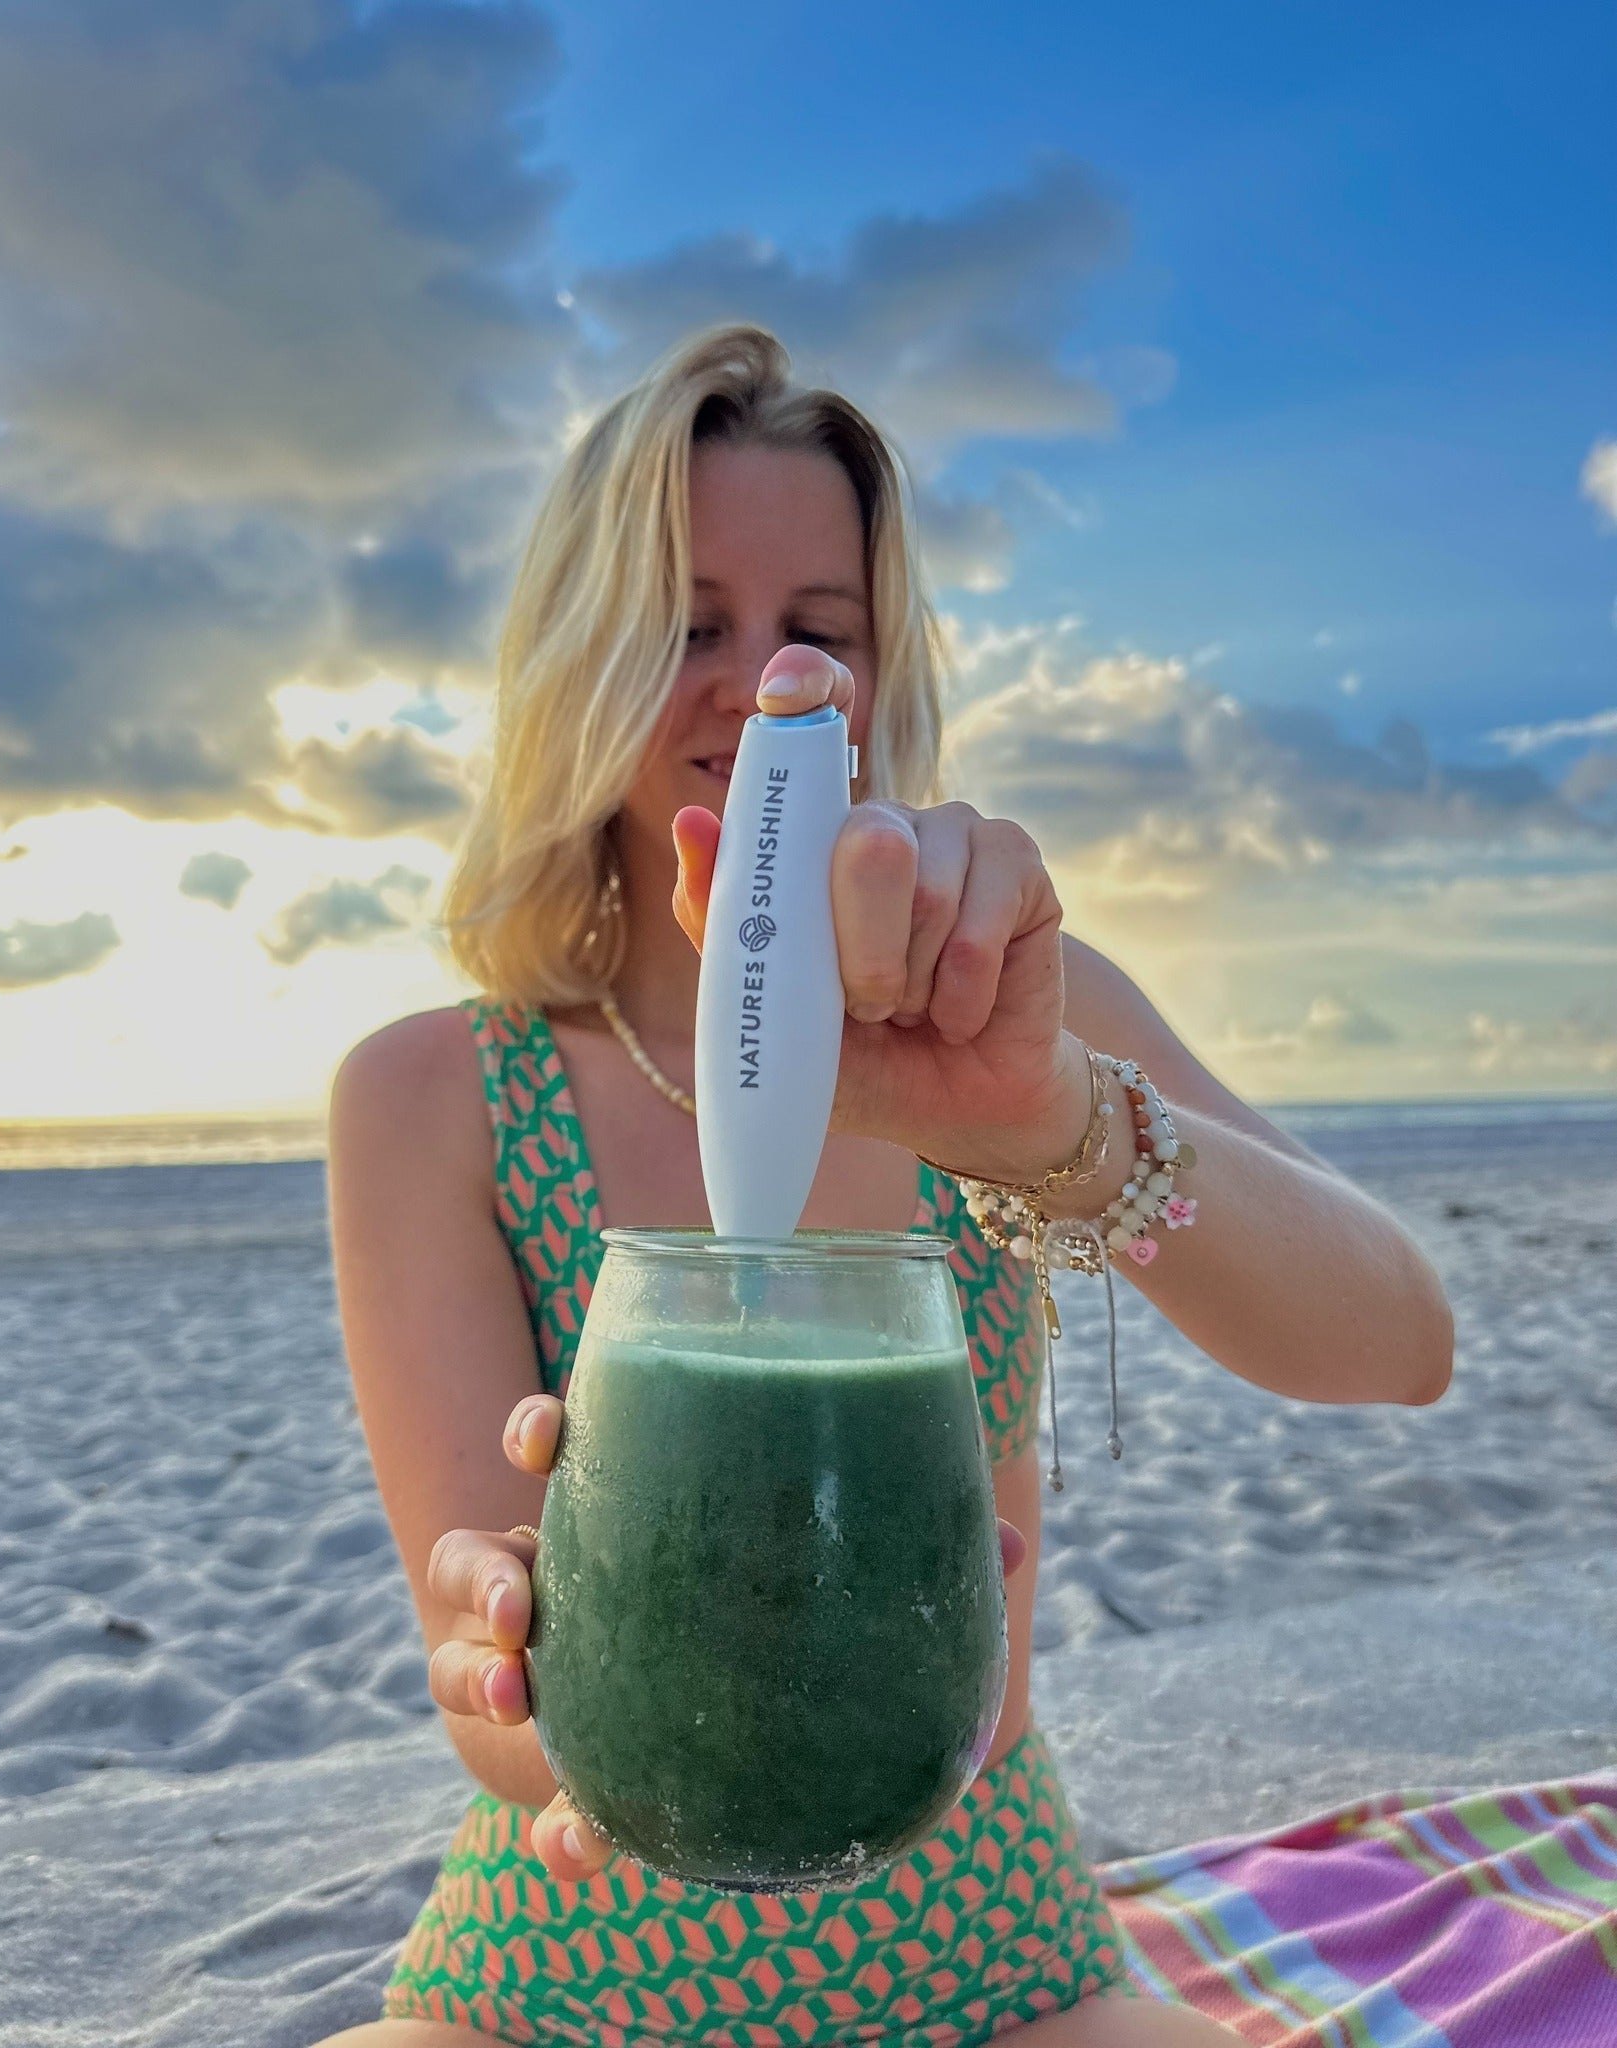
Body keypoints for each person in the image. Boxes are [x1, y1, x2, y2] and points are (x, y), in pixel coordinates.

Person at [318, 323, 1453, 2048]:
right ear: (580, 653)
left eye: (816, 632)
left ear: (870, 671)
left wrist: (1042, 1123)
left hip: (987, 1949)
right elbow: (484, 1681)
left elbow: (1398, 1342)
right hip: (562, 1966)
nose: (758, 682)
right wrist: (519, 1673)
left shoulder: (1014, 1013)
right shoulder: (435, 1094)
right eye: (689, 622)